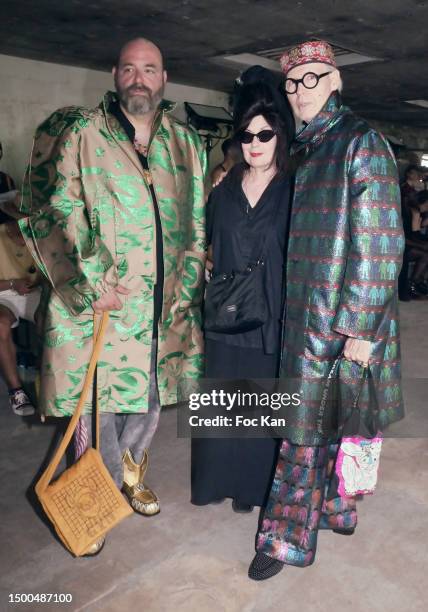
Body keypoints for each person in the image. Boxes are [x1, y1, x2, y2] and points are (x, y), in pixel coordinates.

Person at [19, 37, 206, 554]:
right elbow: (53, 206)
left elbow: (195, 224)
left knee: (146, 401)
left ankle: (130, 473)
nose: (139, 78)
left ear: (164, 78)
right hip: (104, 305)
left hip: (159, 308)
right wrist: (90, 281)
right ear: (115, 75)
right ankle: (88, 502)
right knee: (96, 406)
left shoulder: (187, 143)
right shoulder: (82, 132)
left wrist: (184, 294)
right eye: (129, 69)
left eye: (149, 69)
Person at [248, 40, 404, 580]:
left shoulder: (361, 142)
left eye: (312, 78)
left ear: (336, 81)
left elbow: (382, 243)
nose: (299, 92)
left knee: (303, 433)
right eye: (292, 83)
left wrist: (361, 330)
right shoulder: (308, 146)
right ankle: (336, 508)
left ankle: (285, 539)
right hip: (306, 318)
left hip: (340, 325)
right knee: (330, 424)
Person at [191, 77, 293, 512]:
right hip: (226, 315)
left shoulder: (295, 190)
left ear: (280, 136)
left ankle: (253, 490)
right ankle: (218, 483)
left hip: (269, 316)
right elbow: (206, 242)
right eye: (247, 135)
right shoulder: (225, 189)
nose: (255, 143)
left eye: (265, 134)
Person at [0, 218, 41, 415]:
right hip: (4, 293)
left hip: (35, 291)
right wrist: (12, 284)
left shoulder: (40, 229)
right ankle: (16, 391)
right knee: (0, 325)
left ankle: (50, 380)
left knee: (50, 320)